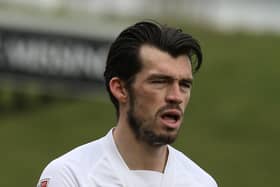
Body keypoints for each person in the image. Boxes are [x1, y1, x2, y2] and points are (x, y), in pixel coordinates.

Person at [37, 21, 218, 187]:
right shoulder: (70, 176)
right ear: (120, 89)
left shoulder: (202, 183)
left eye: (184, 85)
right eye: (160, 81)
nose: (176, 96)